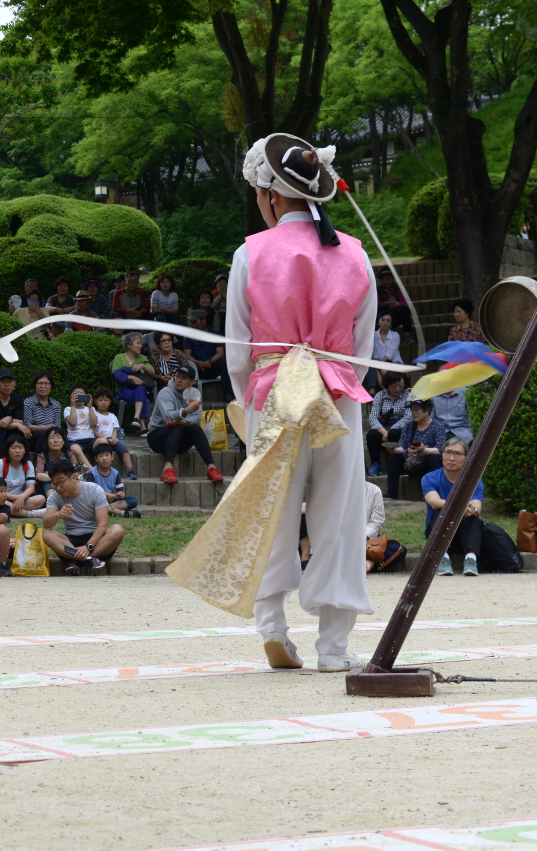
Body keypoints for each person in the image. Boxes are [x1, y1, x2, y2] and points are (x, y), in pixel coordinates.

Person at [175, 133, 377, 674]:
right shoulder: (355, 254)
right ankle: (333, 645)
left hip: (274, 391)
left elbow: (237, 348)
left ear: (269, 194)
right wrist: (333, 380)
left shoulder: (250, 254)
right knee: (339, 514)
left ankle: (273, 627)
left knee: (272, 509)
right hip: (337, 393)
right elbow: (362, 352)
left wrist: (253, 403)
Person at [42, 458, 126, 575]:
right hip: (72, 541)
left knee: (117, 530)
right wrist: (58, 514)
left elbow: (103, 525)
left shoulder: (94, 490)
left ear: (73, 477)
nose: (58, 488)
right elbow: (46, 524)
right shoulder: (54, 497)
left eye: (61, 482)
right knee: (48, 535)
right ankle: (90, 560)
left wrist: (88, 547)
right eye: (54, 484)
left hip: (97, 540)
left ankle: (78, 561)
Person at [147, 367, 223, 484]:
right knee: (176, 427)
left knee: (194, 427)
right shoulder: (165, 392)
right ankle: (167, 469)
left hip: (179, 439)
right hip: (157, 437)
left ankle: (211, 468)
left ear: (192, 382)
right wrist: (187, 410)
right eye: (177, 376)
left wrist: (181, 421)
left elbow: (197, 418)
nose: (179, 380)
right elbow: (168, 415)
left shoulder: (194, 395)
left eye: (184, 378)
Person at [423, 437, 484, 577]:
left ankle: (471, 559)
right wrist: (460, 507)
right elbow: (434, 501)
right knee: (440, 512)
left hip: (465, 534)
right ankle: (442, 558)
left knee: (473, 517)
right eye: (448, 452)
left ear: (467, 457)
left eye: (457, 454)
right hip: (437, 532)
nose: (451, 458)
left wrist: (471, 510)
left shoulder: (474, 480)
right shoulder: (429, 478)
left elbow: (477, 506)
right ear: (442, 455)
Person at [384, 398, 445, 500]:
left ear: (427, 411)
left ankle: (435, 494)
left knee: (434, 458)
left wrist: (424, 450)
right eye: (412, 410)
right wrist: (394, 449)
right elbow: (403, 447)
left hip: (427, 463)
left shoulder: (438, 426)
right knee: (394, 458)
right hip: (410, 462)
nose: (414, 413)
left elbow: (440, 449)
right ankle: (392, 493)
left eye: (417, 410)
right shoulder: (409, 426)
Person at [366, 371, 415, 476]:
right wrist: (384, 432)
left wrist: (391, 430)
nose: (397, 389)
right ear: (388, 385)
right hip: (383, 427)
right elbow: (373, 416)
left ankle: (402, 464)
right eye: (394, 386)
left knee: (395, 434)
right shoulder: (380, 395)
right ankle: (376, 464)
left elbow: (408, 417)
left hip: (400, 427)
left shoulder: (409, 395)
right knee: (371, 435)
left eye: (400, 386)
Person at [111, 332, 155, 434]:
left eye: (141, 343)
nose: (140, 346)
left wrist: (143, 366)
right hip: (124, 389)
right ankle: (143, 427)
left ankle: (136, 418)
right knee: (142, 393)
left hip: (139, 389)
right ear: (129, 345)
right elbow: (116, 374)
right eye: (138, 343)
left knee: (141, 389)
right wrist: (131, 377)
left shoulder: (143, 358)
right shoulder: (119, 357)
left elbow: (153, 373)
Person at [0, 433, 44, 516]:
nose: (17, 451)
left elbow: (31, 488)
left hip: (22, 498)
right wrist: (16, 498)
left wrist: (22, 497)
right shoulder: (0, 463)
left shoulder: (28, 464)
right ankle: (31, 514)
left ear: (25, 450)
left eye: (20, 447)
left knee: (41, 499)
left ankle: (13, 511)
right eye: (13, 448)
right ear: (8, 450)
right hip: (4, 498)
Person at [87, 444, 139, 517]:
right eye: (101, 456)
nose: (104, 458)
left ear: (112, 457)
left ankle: (105, 510)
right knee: (90, 505)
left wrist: (120, 494)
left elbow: (120, 490)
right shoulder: (92, 472)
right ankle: (121, 513)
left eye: (107, 455)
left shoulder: (115, 472)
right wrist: (104, 495)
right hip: (96, 501)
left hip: (111, 502)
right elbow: (90, 493)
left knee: (133, 500)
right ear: (96, 459)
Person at [22, 371, 62, 453]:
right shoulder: (28, 402)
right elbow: (27, 426)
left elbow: (58, 427)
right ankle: (40, 463)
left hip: (52, 436)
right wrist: (45, 427)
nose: (43, 386)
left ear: (51, 386)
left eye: (46, 383)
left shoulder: (56, 404)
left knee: (63, 436)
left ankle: (68, 464)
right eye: (40, 383)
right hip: (33, 438)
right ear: (35, 385)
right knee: (44, 434)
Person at [364, 312, 402, 392]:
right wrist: (379, 364)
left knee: (381, 369)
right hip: (377, 362)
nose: (385, 323)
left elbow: (390, 353)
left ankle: (386, 390)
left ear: (391, 324)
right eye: (383, 320)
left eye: (388, 321)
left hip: (392, 362)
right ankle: (372, 389)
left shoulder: (395, 335)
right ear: (378, 322)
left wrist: (380, 365)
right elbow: (374, 352)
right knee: (371, 365)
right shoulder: (373, 335)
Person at [376, 269, 410, 334]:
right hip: (382, 314)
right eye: (385, 276)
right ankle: (376, 334)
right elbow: (375, 303)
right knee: (377, 309)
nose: (387, 278)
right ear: (382, 279)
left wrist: (397, 304)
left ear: (393, 278)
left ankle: (407, 335)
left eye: (390, 276)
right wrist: (385, 303)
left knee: (405, 310)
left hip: (395, 314)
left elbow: (404, 302)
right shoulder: (378, 289)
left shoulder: (398, 288)